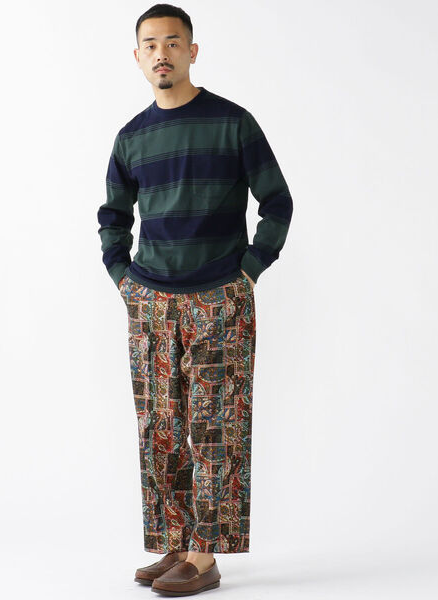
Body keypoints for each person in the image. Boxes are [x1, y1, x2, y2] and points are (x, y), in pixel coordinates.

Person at [96, 4, 293, 596]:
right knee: (159, 428)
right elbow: (112, 217)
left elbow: (277, 203)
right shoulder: (131, 137)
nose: (162, 53)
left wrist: (249, 272)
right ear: (137, 57)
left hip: (219, 298)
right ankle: (177, 544)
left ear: (192, 51)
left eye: (172, 42)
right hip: (151, 302)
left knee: (216, 427)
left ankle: (204, 558)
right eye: (150, 44)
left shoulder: (233, 123)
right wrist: (123, 278)